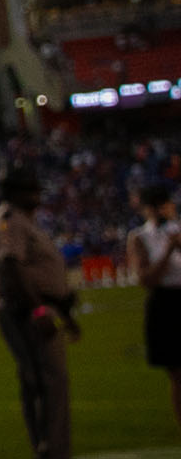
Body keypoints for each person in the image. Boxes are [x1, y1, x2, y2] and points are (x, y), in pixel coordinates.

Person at [0, 164, 76, 459]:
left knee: (45, 380)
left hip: (35, 308)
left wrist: (65, 313)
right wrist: (39, 311)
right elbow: (11, 265)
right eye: (30, 188)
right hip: (22, 311)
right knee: (44, 380)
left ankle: (51, 446)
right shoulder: (7, 221)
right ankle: (49, 449)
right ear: (15, 193)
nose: (37, 194)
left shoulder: (24, 221)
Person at [126, 183, 181, 428]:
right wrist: (169, 250)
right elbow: (146, 279)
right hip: (165, 303)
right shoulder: (140, 236)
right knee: (177, 373)